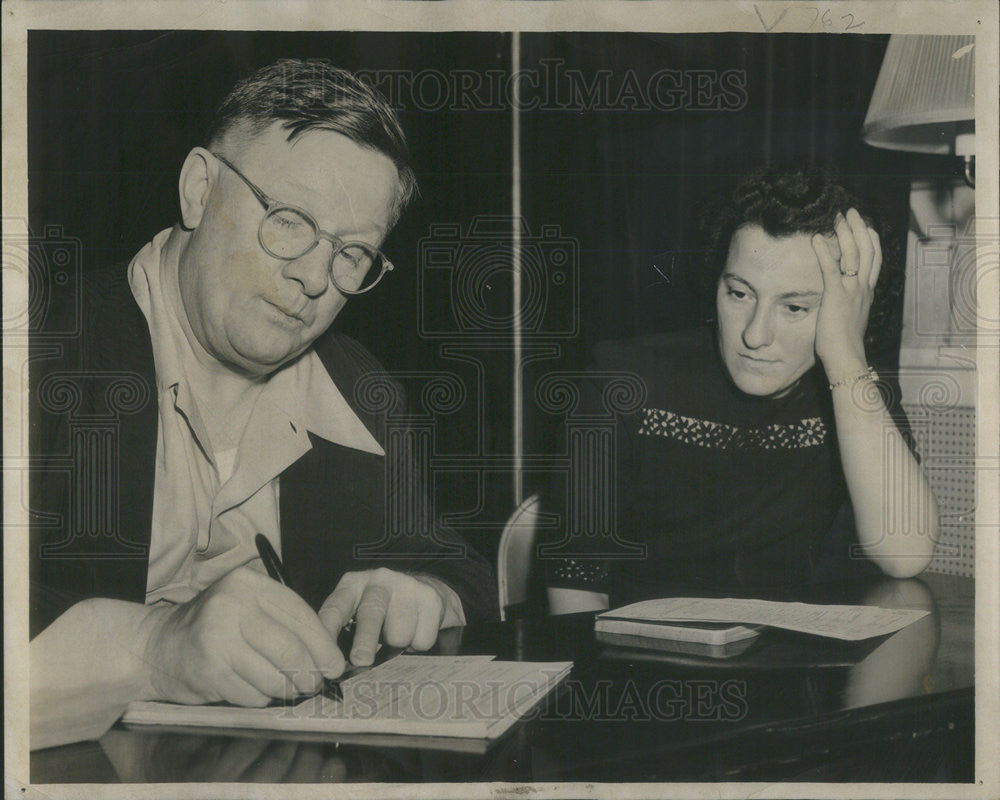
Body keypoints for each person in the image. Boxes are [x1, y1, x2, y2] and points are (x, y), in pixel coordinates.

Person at [29, 59, 496, 713]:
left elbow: (458, 569)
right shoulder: (36, 358)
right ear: (198, 189)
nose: (315, 278)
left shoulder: (362, 391)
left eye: (352, 253)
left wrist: (425, 593)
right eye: (289, 220)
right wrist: (151, 648)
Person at [546, 168, 939, 614]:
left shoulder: (859, 390)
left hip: (785, 661)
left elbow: (904, 553)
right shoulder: (624, 379)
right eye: (739, 294)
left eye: (794, 307)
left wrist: (847, 359)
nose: (754, 335)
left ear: (844, 312)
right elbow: (575, 584)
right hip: (641, 661)